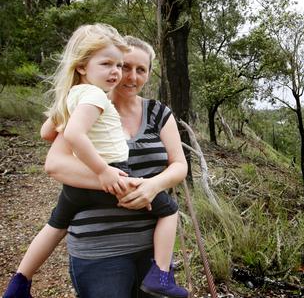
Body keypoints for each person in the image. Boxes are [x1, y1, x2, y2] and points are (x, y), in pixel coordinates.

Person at [2, 27, 188, 298]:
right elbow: (55, 164)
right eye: (123, 66)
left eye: (141, 69)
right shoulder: (91, 105)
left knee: (56, 223)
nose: (130, 76)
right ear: (88, 67)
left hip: (147, 244)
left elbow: (179, 165)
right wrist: (116, 181)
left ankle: (20, 280)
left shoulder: (158, 112)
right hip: (99, 249)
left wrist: (151, 186)